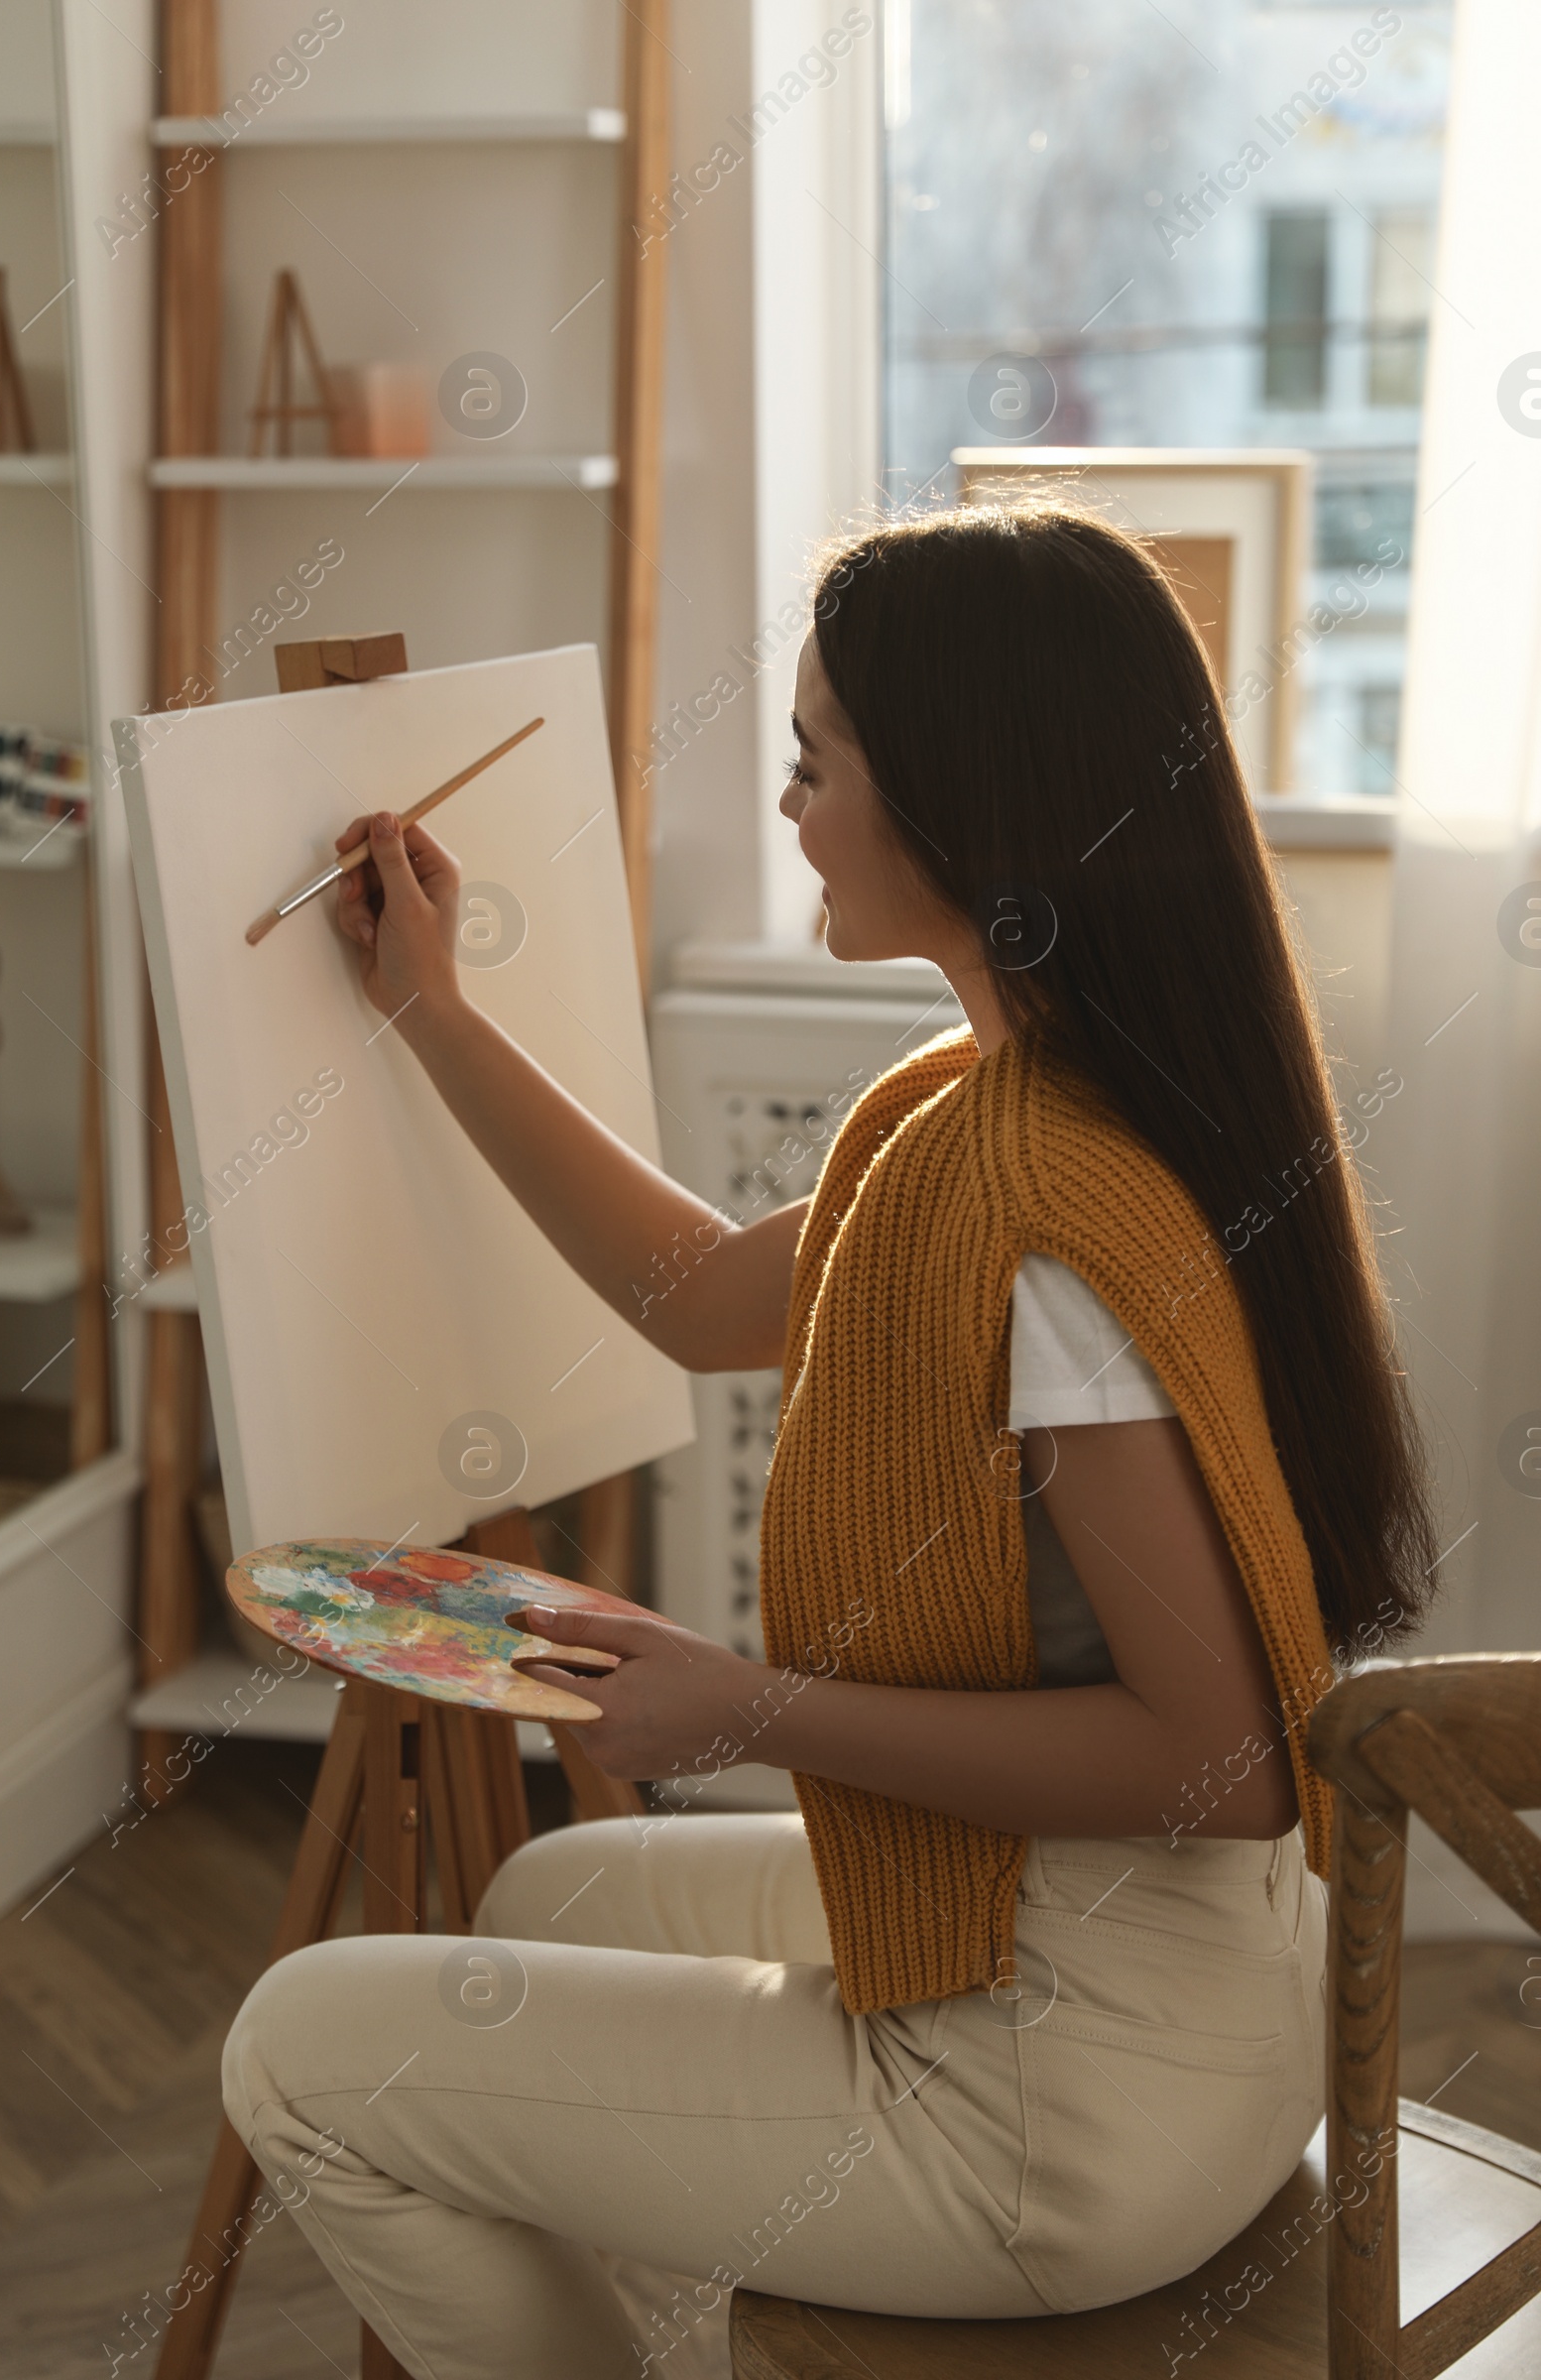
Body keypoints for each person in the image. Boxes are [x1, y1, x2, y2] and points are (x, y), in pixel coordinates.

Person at [221, 502, 1436, 2377]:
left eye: (814, 759)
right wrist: (433, 1014)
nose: (788, 802)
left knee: (295, 2051)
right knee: (546, 1895)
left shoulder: (1040, 1215)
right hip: (1184, 1982)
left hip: (1078, 2107)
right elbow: (703, 1295)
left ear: (969, 799)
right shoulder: (1014, 1106)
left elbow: (1217, 1768)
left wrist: (741, 1713)